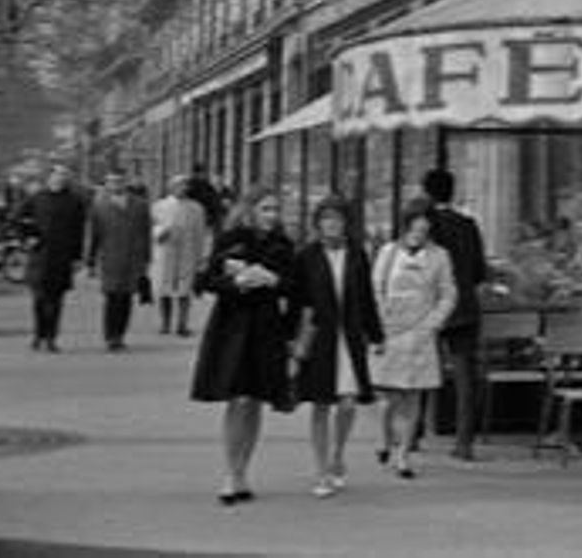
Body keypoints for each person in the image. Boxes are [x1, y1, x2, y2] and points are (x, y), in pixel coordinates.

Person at [189, 190, 298, 506]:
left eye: (276, 208)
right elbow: (205, 280)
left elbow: (295, 288)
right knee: (236, 398)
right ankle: (229, 472)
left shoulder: (283, 244)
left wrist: (273, 280)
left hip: (266, 327)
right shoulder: (231, 239)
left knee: (254, 400)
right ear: (250, 210)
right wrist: (235, 283)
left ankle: (242, 472)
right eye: (266, 208)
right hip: (232, 326)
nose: (272, 214)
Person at [294, 196, 384, 498]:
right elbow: (298, 301)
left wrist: (376, 334)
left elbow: (367, 297)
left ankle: (337, 454)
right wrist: (292, 341)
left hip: (350, 336)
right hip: (321, 337)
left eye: (338, 218)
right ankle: (321, 471)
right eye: (326, 218)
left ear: (347, 224)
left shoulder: (357, 255)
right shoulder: (306, 256)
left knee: (348, 402)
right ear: (318, 223)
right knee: (321, 404)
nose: (332, 224)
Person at [370, 201, 456, 479]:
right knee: (388, 399)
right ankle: (384, 438)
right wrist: (379, 327)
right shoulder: (388, 252)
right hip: (390, 332)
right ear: (406, 226)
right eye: (415, 228)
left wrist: (431, 325)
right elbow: (375, 289)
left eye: (425, 229)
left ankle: (403, 457)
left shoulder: (440, 256)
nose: (419, 234)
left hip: (420, 335)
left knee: (414, 396)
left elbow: (448, 295)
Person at [420, 168, 488, 462]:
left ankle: (412, 434)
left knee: (421, 371)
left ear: (427, 193)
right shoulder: (468, 224)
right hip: (463, 309)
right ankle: (464, 443)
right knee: (464, 378)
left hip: (431, 309)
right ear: (452, 191)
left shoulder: (424, 226)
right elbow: (478, 272)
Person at [18, 165, 90, 352]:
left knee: (56, 300)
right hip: (39, 256)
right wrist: (27, 239)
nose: (60, 178)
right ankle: (38, 334)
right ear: (49, 177)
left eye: (64, 175)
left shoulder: (75, 201)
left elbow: (79, 231)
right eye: (57, 175)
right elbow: (18, 219)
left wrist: (77, 257)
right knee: (39, 299)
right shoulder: (36, 198)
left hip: (62, 257)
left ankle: (51, 337)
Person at [87, 170, 152, 351]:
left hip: (133, 259)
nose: (116, 185)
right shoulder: (99, 206)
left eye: (119, 181)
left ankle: (121, 335)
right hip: (110, 259)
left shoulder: (140, 205)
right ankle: (110, 336)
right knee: (112, 298)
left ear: (126, 183)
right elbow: (94, 236)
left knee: (126, 299)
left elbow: (146, 233)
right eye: (112, 182)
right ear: (107, 184)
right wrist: (90, 261)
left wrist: (147, 258)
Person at [150, 175, 208, 336]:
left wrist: (201, 256)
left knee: (185, 290)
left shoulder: (197, 208)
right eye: (179, 185)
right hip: (165, 252)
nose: (183, 188)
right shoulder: (158, 206)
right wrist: (159, 232)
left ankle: (182, 324)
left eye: (185, 185)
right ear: (171, 187)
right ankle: (165, 323)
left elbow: (200, 233)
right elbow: (152, 227)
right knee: (164, 290)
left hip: (187, 253)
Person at [185, 164, 226, 236]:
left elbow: (214, 200)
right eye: (201, 173)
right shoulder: (203, 185)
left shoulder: (192, 185)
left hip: (198, 218)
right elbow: (213, 200)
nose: (202, 175)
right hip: (201, 218)